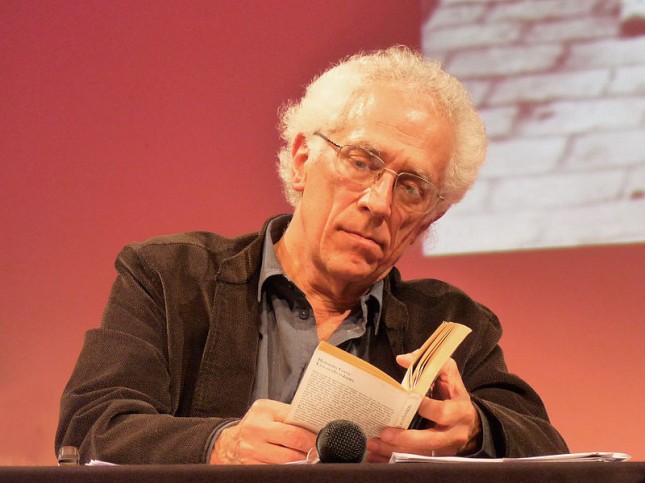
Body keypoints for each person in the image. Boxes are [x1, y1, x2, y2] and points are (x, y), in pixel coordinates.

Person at [56, 46, 568, 464]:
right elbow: (91, 426)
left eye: (411, 187)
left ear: (428, 220)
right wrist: (219, 446)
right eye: (362, 162)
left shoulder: (450, 322)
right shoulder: (170, 277)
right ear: (303, 159)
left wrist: (475, 429)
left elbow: (549, 449)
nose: (378, 202)